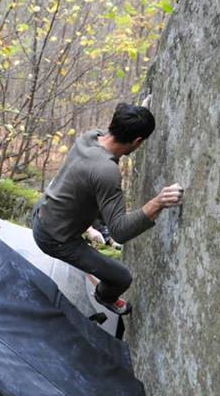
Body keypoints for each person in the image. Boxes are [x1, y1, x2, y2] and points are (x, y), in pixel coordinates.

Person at [31, 100, 183, 315]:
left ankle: (91, 229)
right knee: (121, 277)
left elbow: (118, 134)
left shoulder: (91, 137)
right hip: (54, 238)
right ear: (138, 141)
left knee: (99, 203)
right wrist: (158, 202)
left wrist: (137, 116)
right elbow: (120, 232)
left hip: (46, 207)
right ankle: (104, 296)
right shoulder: (106, 171)